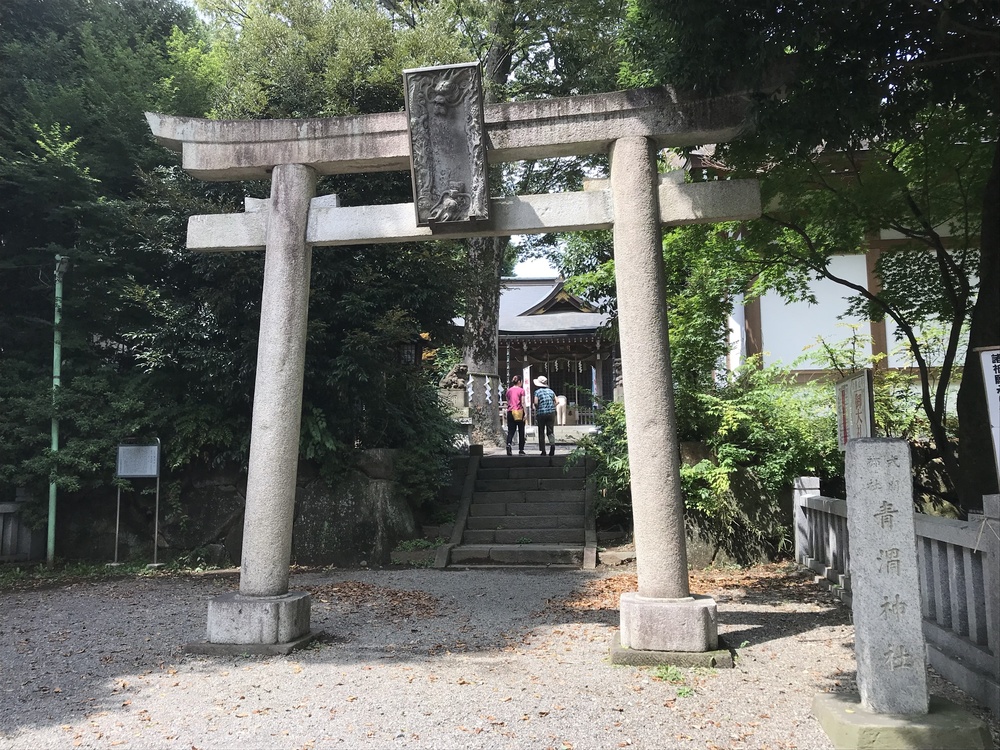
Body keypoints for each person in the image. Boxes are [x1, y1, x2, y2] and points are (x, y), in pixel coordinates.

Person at [532, 375, 557, 456]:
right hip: (551, 413)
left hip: (541, 413)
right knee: (550, 431)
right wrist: (552, 406)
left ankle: (543, 450)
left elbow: (536, 402)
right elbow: (557, 401)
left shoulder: (537, 392)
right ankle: (552, 446)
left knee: (541, 431)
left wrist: (537, 407)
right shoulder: (551, 391)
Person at [504, 375, 526, 456]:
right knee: (521, 431)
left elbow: (508, 401)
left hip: (510, 411)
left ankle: (508, 444)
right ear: (519, 381)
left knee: (511, 431)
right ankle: (521, 449)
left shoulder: (509, 390)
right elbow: (523, 402)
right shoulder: (521, 390)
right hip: (519, 411)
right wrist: (526, 413)